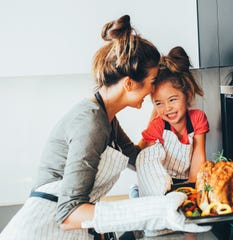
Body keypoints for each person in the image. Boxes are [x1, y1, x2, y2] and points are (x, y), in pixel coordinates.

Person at [0, 15, 210, 240]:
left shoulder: (106, 117)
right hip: (42, 231)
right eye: (151, 82)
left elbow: (139, 158)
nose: (152, 92)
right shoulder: (90, 122)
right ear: (129, 83)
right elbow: (69, 213)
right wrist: (156, 209)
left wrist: (169, 131)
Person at [135, 46, 209, 198]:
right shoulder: (158, 125)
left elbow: (198, 158)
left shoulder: (197, 119)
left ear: (187, 95)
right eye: (159, 103)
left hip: (185, 184)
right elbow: (147, 163)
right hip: (159, 188)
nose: (167, 108)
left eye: (172, 99)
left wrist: (191, 189)